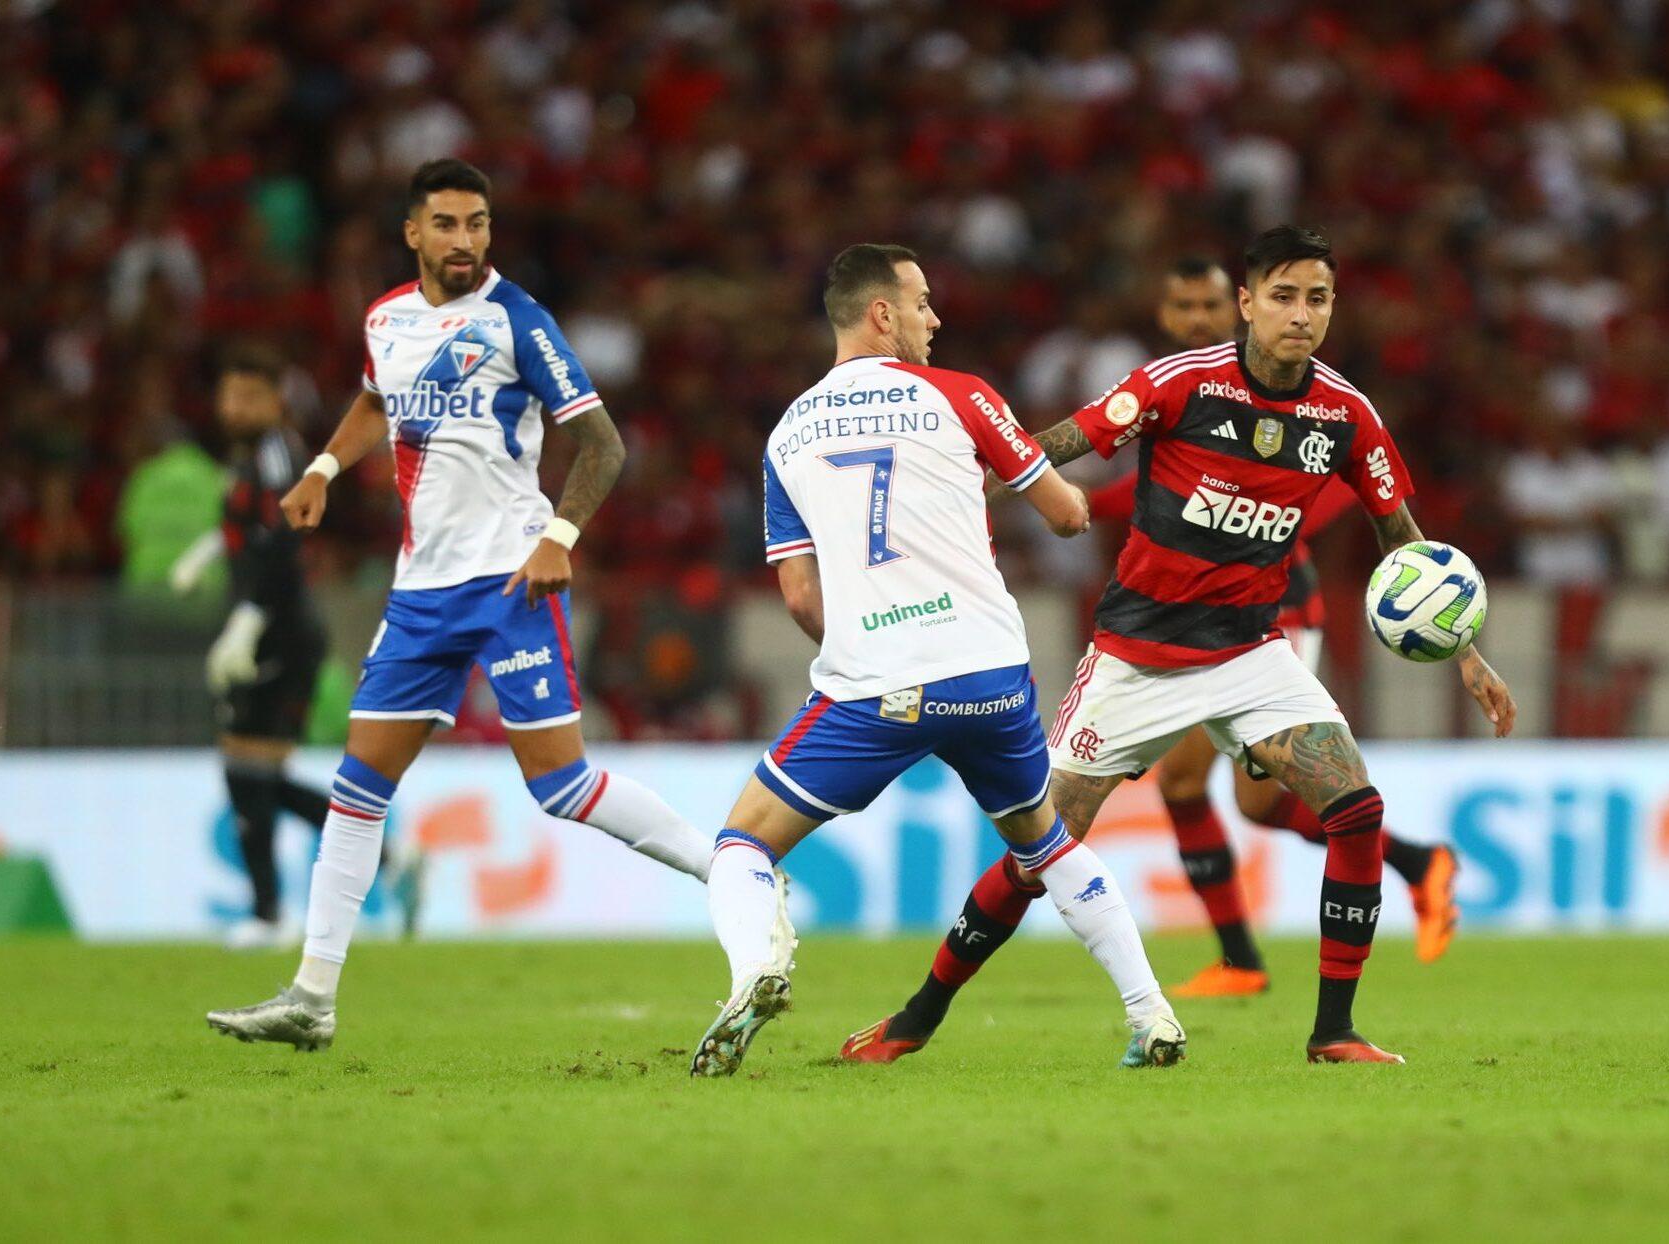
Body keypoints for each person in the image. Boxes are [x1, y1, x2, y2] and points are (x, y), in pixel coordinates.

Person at [843, 227, 1518, 1067]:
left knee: (1356, 809)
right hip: (1137, 660)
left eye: (1317, 299)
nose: (1300, 316)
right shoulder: (1181, 383)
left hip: (1250, 655)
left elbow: (1402, 540)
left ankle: (1334, 1032)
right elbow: (1065, 442)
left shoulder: (1345, 414)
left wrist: (1466, 651)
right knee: (1036, 853)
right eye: (1283, 296)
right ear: (1247, 303)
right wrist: (964, 481)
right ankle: (917, 1017)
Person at [207, 158, 712, 1051]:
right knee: (358, 786)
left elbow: (602, 443)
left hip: (510, 579)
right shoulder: (387, 321)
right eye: (446, 224)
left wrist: (560, 535)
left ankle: (735, 873)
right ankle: (312, 995)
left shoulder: (519, 320)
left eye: (477, 223)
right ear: (413, 233)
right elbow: (374, 402)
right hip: (421, 592)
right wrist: (324, 467)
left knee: (563, 787)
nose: (465, 240)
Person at [692, 243, 1186, 1077]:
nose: (935, 318)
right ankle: (1152, 1013)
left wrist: (865, 642)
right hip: (991, 673)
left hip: (876, 685)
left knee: (741, 845)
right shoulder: (963, 395)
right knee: (1045, 842)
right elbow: (1067, 516)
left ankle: (755, 972)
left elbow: (802, 598)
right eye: (922, 302)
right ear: (881, 312)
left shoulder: (787, 432)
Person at [1095, 257, 1461, 998]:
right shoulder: (1182, 388)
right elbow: (1131, 496)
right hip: (1205, 613)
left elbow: (1334, 495)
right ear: (1166, 316)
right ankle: (1414, 865)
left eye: (1208, 304)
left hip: (1272, 610)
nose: (1197, 318)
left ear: (1237, 307)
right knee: (1249, 802)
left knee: (1192, 779)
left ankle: (1244, 961)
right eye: (1183, 305)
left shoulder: (1288, 396)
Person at [170, 347, 401, 948]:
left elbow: (280, 541)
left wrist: (247, 619)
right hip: (268, 625)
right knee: (257, 775)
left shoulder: (278, 453)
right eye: (230, 394)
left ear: (276, 402)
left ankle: (269, 914)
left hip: (279, 629)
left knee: (247, 771)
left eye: (251, 396)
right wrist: (208, 552)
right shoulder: (246, 456)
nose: (236, 406)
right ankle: (389, 859)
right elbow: (247, 532)